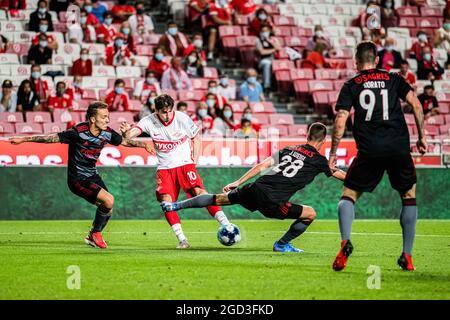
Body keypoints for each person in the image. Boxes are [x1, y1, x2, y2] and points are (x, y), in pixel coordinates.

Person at [161, 123, 346, 252]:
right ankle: (282, 245)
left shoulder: (288, 149)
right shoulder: (320, 161)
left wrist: (238, 182)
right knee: (310, 213)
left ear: (307, 136)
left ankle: (175, 206)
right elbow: (340, 175)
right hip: (273, 201)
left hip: (254, 188)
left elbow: (260, 167)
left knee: (216, 198)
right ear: (323, 141)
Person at [328, 41, 427, 272]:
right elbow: (416, 104)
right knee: (408, 195)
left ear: (355, 62)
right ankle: (407, 256)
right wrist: (422, 137)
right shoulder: (393, 79)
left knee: (349, 195)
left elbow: (340, 119)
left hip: (369, 150)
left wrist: (333, 152)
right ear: (376, 61)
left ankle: (345, 243)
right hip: (398, 147)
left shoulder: (351, 84)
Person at [9, 102, 153, 249]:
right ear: (92, 119)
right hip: (77, 178)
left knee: (108, 208)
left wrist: (144, 145)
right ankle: (96, 233)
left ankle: (92, 236)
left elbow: (123, 141)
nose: (107, 120)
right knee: (109, 200)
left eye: (108, 117)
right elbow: (49, 138)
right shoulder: (77, 132)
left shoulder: (107, 133)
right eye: (103, 117)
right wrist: (23, 139)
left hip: (92, 175)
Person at [120, 94, 232, 248]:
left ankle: (227, 225)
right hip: (165, 169)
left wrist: (195, 161)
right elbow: (127, 137)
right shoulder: (148, 121)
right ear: (156, 110)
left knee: (200, 193)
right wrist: (126, 132)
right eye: (163, 112)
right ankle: (182, 240)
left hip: (185, 165)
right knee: (166, 201)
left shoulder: (182, 118)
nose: (166, 115)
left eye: (169, 111)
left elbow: (196, 137)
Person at [256, 24, 281, 93]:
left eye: (266, 31)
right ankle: (267, 85)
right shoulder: (258, 40)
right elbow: (262, 52)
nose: (265, 32)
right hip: (263, 60)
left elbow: (279, 48)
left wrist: (269, 41)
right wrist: (273, 50)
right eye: (263, 31)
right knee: (267, 64)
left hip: (274, 60)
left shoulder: (274, 39)